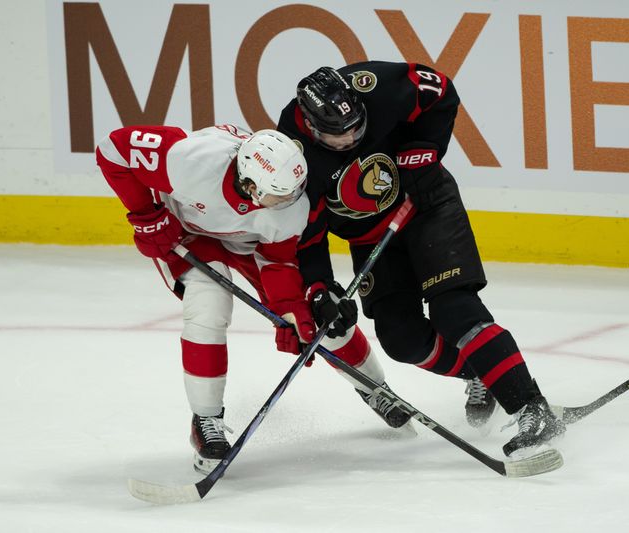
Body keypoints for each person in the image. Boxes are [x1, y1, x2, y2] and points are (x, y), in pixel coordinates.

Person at [277, 62, 565, 457]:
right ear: (310, 126)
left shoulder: (374, 86)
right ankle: (483, 372)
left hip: (427, 203)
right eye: (338, 138)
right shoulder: (290, 154)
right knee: (402, 339)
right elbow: (306, 236)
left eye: (357, 129)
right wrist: (320, 286)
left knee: (455, 309)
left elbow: (441, 92)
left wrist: (424, 152)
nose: (351, 140)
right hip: (370, 239)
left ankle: (532, 407)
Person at [96, 124, 410, 475]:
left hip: (248, 242)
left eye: (295, 191)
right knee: (208, 306)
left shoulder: (289, 203)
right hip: (184, 234)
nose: (291, 202)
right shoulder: (190, 160)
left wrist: (290, 311)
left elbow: (277, 261)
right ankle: (206, 422)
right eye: (280, 195)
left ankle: (376, 388)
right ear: (250, 186)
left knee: (319, 319)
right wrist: (146, 216)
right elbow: (113, 149)